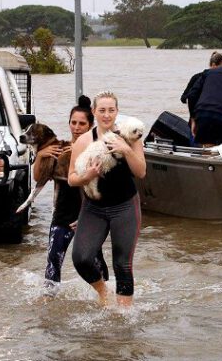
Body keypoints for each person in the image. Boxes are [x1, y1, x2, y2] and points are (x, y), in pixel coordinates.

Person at [68, 91, 146, 307]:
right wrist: (89, 175)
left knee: (122, 263)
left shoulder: (130, 135)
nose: (106, 115)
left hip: (125, 206)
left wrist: (126, 150)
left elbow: (141, 172)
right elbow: (71, 179)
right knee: (81, 258)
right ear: (94, 112)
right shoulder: (84, 140)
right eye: (101, 110)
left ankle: (124, 316)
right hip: (94, 208)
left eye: (111, 110)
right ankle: (104, 292)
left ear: (117, 112)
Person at [38, 95, 108, 296]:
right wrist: (41, 156)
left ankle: (106, 299)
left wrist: (88, 217)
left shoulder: (98, 151)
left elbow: (103, 190)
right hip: (61, 215)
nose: (76, 127)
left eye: (82, 123)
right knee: (53, 260)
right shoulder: (59, 149)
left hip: (88, 217)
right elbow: (39, 178)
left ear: (90, 125)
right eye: (73, 123)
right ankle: (49, 304)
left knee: (95, 260)